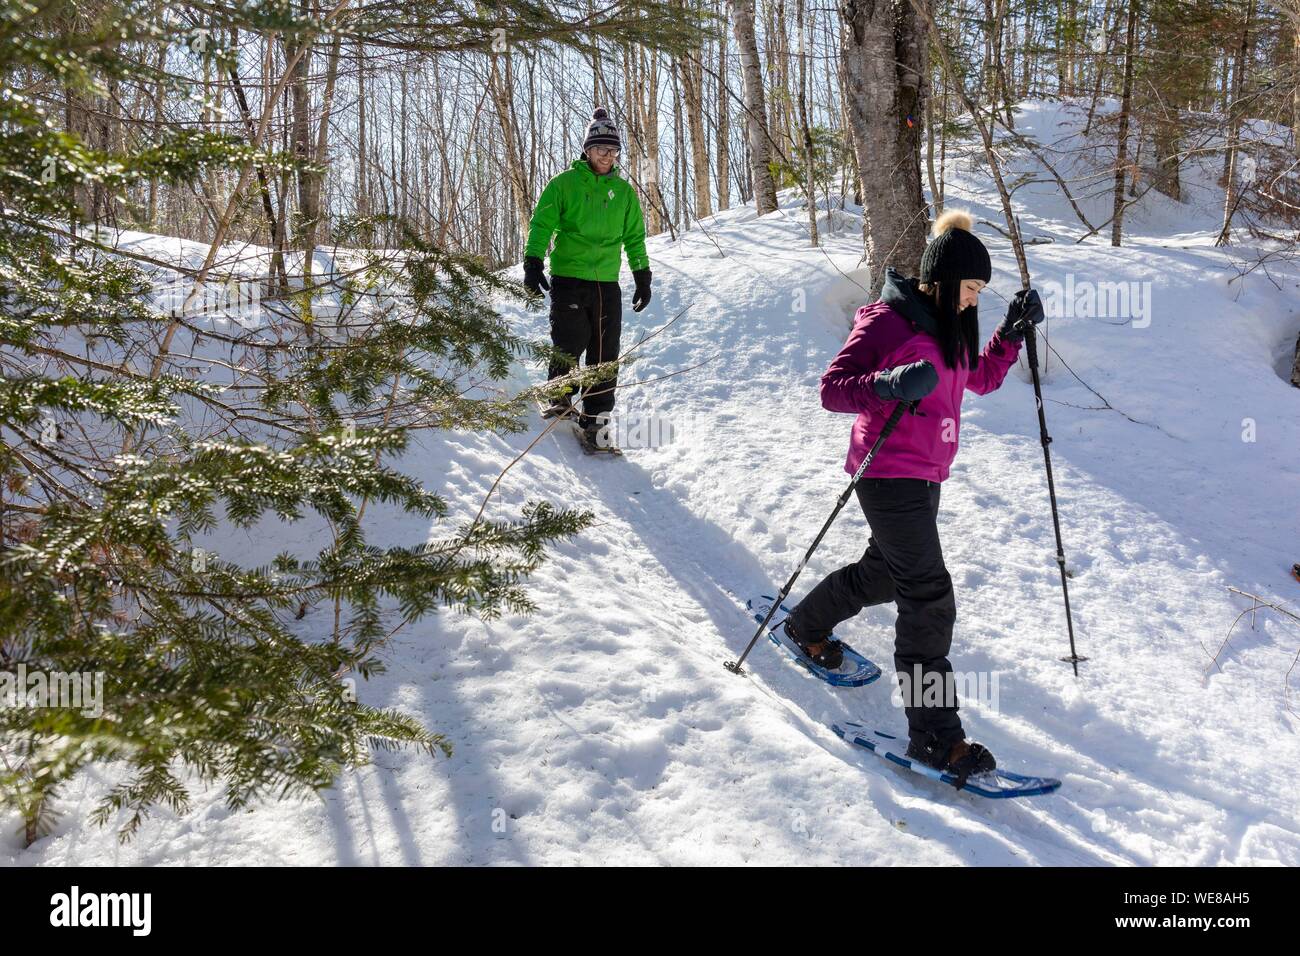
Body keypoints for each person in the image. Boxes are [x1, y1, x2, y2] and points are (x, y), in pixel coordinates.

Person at [783, 209, 1044, 779]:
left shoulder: (949, 328)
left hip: (926, 478)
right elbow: (832, 390)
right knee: (927, 597)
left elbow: (980, 378)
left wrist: (1011, 336)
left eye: (980, 292)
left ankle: (805, 625)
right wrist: (887, 386)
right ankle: (936, 739)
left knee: (883, 575)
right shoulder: (888, 321)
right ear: (944, 280)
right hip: (886, 474)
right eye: (972, 288)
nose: (975, 300)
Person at [523, 107, 652, 446]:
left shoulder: (624, 193)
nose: (606, 156)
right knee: (570, 341)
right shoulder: (563, 184)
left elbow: (635, 238)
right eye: (600, 149)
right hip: (569, 278)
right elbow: (542, 224)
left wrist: (642, 275)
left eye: (612, 150)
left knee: (605, 352)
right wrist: (533, 261)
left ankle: (596, 417)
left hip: (606, 283)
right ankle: (560, 396)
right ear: (587, 150)